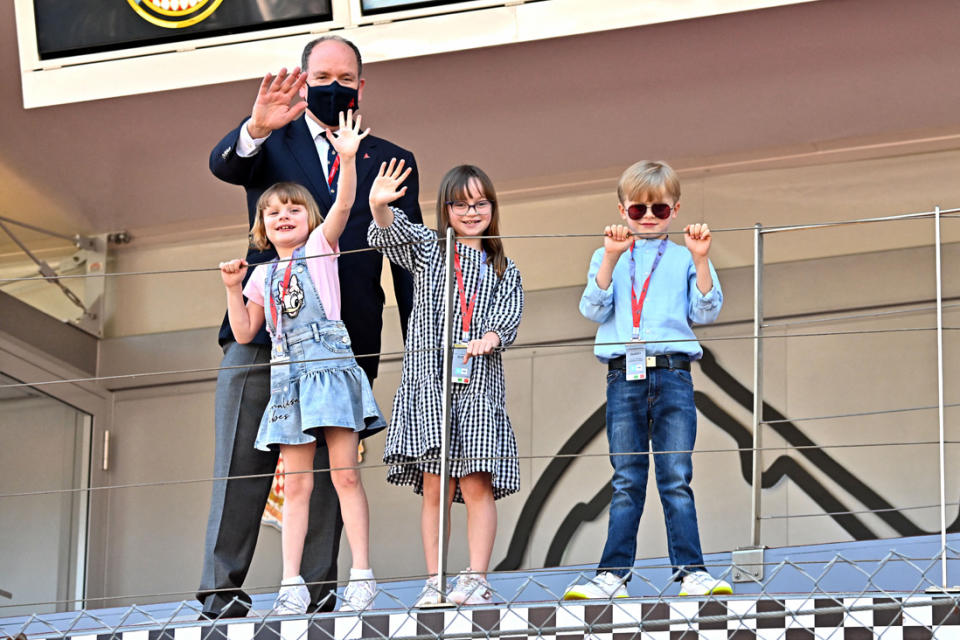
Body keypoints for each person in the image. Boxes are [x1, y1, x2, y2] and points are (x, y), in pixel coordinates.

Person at [199, 35, 421, 617]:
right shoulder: (273, 138)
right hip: (264, 332)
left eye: (345, 78)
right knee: (240, 463)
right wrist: (255, 125)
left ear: (361, 85)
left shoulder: (389, 157)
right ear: (303, 80)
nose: (334, 87)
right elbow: (225, 165)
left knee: (332, 469)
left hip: (346, 340)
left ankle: (317, 593)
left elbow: (409, 257)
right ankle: (221, 591)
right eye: (321, 76)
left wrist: (425, 340)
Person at [218, 112, 385, 613]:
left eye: (293, 209)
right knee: (295, 485)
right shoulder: (261, 275)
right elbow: (247, 331)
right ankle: (290, 583)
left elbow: (347, 203)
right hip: (287, 381)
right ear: (262, 228)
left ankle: (362, 573)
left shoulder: (319, 247)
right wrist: (231, 288)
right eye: (273, 213)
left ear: (309, 219)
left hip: (330, 370)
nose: (284, 216)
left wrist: (349, 158)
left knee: (345, 475)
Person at [564, 161, 732, 599]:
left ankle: (690, 571)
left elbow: (706, 312)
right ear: (622, 210)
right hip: (624, 375)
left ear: (675, 210)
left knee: (676, 475)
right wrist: (612, 259)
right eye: (638, 210)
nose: (649, 218)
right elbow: (592, 309)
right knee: (626, 477)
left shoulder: (681, 256)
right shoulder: (607, 255)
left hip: (674, 372)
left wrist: (702, 258)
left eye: (658, 209)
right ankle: (612, 575)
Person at [367, 162, 524, 606]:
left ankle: (476, 579)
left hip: (476, 386)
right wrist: (379, 206)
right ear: (445, 209)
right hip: (428, 385)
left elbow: (507, 320)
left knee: (476, 483)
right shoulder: (430, 250)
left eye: (480, 203)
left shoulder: (503, 268)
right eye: (460, 204)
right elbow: (391, 232)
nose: (471, 212)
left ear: (492, 207)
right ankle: (435, 580)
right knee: (436, 485)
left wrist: (490, 337)